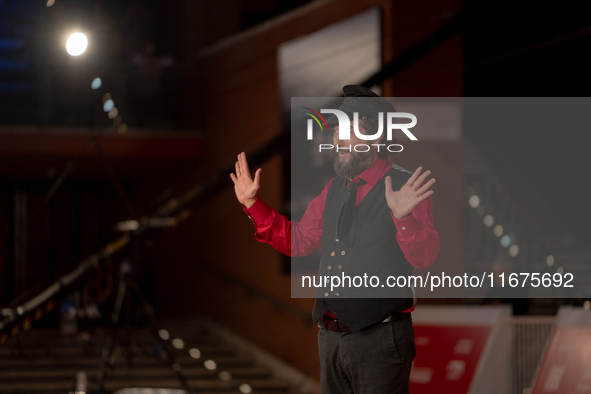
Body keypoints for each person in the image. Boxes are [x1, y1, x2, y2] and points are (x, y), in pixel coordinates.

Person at [230, 85, 440, 393]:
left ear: (376, 137)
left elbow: (424, 259)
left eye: (350, 129)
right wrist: (252, 205)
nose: (338, 139)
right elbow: (298, 241)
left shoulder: (405, 186)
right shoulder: (334, 188)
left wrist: (402, 218)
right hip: (330, 337)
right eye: (337, 129)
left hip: (380, 338)